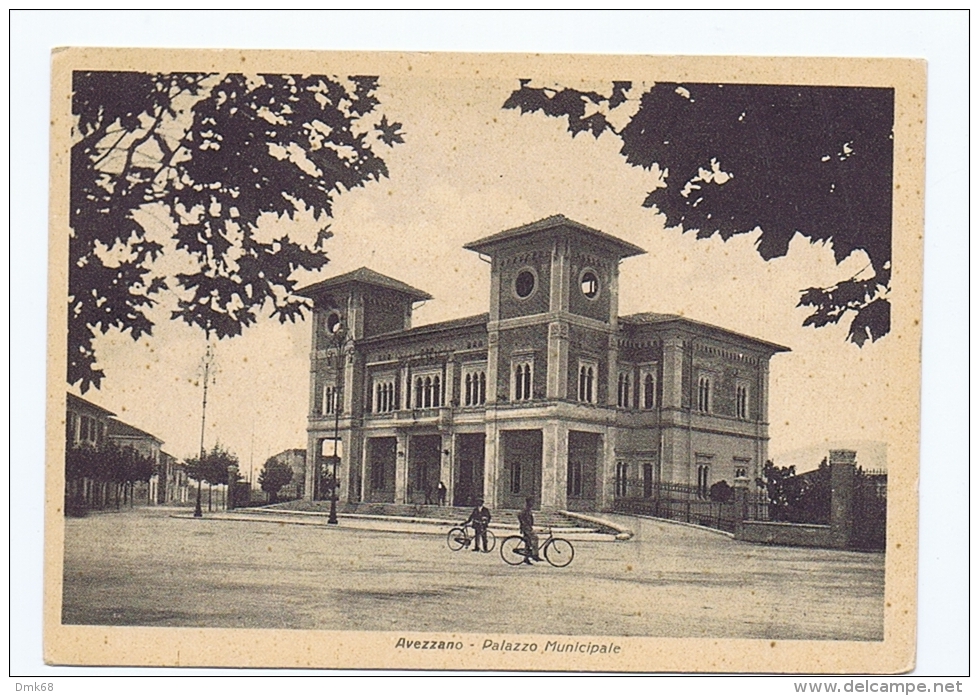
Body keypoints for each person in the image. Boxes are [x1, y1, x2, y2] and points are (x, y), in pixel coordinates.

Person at [517, 496, 541, 564]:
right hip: (526, 528)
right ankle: (535, 555)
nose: (533, 503)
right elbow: (520, 515)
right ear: (528, 502)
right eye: (532, 501)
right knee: (535, 538)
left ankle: (526, 558)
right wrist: (524, 524)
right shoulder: (525, 509)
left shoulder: (528, 509)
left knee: (528, 542)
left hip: (528, 527)